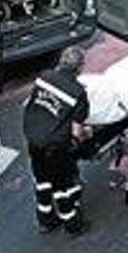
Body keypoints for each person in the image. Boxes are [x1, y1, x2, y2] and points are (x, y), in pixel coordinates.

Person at [22, 46, 91, 236]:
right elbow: (78, 128)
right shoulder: (77, 92)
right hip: (54, 148)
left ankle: (45, 220)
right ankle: (72, 225)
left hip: (33, 139)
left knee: (42, 181)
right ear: (78, 68)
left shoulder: (44, 77)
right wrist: (83, 137)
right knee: (63, 187)